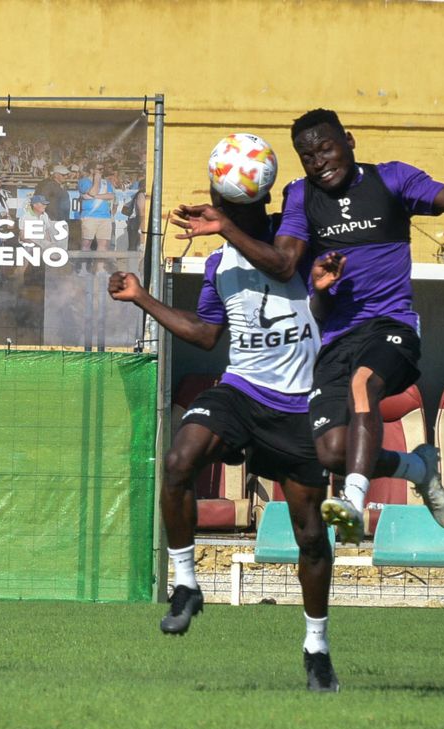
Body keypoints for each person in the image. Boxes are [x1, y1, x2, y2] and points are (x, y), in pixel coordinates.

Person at [173, 109, 444, 543]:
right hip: (335, 339)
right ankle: (417, 467)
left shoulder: (392, 180)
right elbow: (282, 264)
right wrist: (227, 225)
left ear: (349, 141)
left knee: (363, 384)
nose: (320, 161)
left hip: (390, 326)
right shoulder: (300, 196)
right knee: (334, 451)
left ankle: (353, 501)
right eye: (307, 155)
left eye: (326, 148)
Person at [108, 148, 347, 692]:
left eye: (224, 206)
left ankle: (316, 647)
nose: (217, 211)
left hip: (298, 405)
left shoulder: (299, 242)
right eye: (217, 203)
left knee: (311, 537)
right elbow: (207, 335)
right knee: (178, 460)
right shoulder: (218, 265)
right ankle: (186, 583)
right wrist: (142, 297)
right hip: (242, 391)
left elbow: (290, 272)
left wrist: (322, 295)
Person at [77, 162, 115, 252]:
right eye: (99, 169)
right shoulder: (84, 181)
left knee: (103, 245)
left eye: (102, 169)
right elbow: (93, 191)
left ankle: (100, 266)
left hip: (105, 216)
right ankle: (84, 265)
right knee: (86, 244)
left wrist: (94, 196)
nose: (102, 171)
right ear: (91, 170)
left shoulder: (106, 182)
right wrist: (97, 180)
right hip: (89, 216)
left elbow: (111, 196)